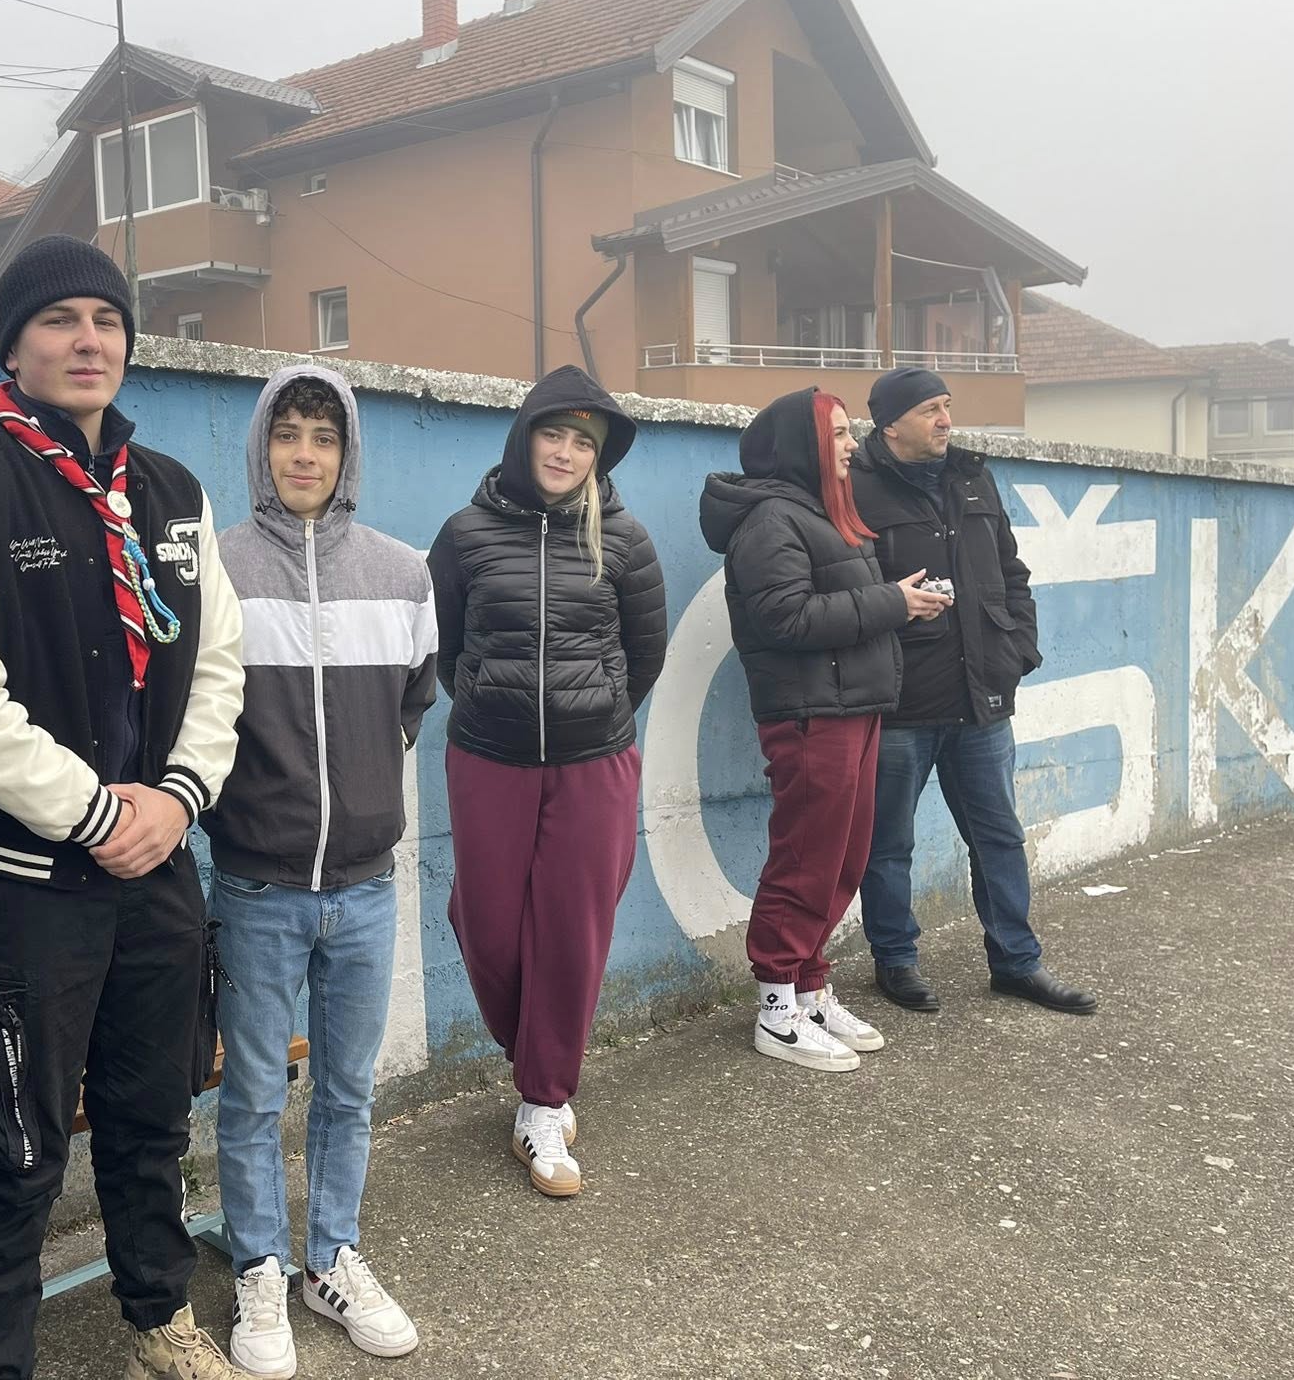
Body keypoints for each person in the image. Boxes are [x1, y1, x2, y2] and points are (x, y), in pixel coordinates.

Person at [0, 234, 247, 1380]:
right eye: (58, 320)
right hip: (26, 891)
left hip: (158, 876)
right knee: (7, 1150)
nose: (87, 340)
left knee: (152, 1122)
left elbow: (219, 667)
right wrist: (99, 815)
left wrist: (176, 801)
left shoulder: (173, 494)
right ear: (13, 345)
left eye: (106, 320)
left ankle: (156, 1320)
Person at [201, 365, 437, 1376]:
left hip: (365, 885)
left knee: (347, 1089)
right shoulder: (216, 567)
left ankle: (330, 1258)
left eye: (324, 437)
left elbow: (414, 699)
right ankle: (258, 1265)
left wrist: (365, 795)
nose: (304, 454)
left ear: (347, 455)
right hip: (255, 885)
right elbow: (191, 710)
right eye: (287, 434)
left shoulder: (401, 572)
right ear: (262, 447)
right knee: (254, 1093)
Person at [426, 365, 667, 1198]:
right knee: (484, 923)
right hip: (486, 757)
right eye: (552, 434)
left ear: (600, 457)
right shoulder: (464, 534)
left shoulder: (623, 539)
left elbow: (644, 655)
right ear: (523, 438)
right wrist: (490, 703)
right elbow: (445, 646)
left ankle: (543, 1098)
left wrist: (592, 712)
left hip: (593, 760)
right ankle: (535, 1053)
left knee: (572, 929)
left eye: (583, 443)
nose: (565, 452)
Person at [700, 388, 948, 1073]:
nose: (851, 444)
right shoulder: (769, 520)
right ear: (800, 445)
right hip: (811, 715)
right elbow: (787, 618)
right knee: (806, 858)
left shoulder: (819, 513)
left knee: (843, 857)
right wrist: (891, 601)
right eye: (837, 434)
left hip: (853, 706)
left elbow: (837, 606)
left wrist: (900, 603)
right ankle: (777, 1009)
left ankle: (809, 989)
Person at [849, 367, 1098, 1016]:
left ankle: (1017, 963)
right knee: (888, 844)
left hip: (981, 699)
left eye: (946, 406)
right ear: (890, 424)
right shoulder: (856, 487)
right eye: (929, 409)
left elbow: (1012, 573)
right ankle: (895, 960)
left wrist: (1017, 652)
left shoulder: (972, 477)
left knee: (999, 838)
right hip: (901, 703)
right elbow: (845, 588)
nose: (945, 420)